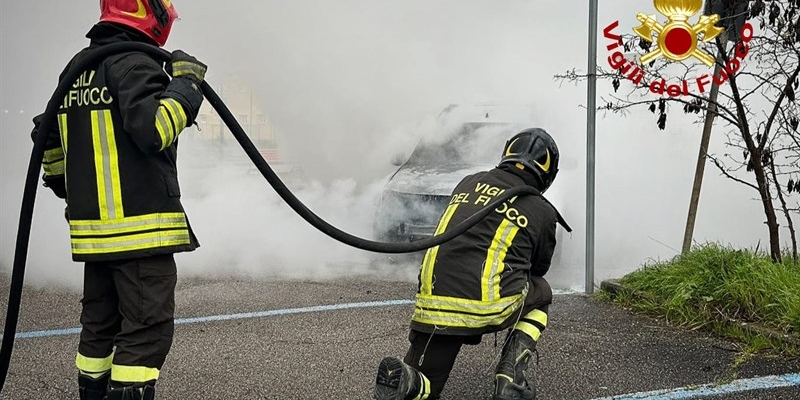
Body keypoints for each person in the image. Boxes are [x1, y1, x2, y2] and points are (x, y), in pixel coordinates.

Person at [30, 1, 207, 399]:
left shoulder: (77, 70)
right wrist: (186, 86)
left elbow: (47, 136)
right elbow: (154, 130)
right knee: (145, 334)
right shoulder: (134, 64)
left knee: (98, 330)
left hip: (95, 237)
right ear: (153, 16)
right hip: (141, 233)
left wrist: (71, 187)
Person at [371, 128, 571, 400]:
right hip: (488, 305)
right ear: (547, 173)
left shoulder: (467, 183)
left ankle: (406, 381)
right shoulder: (542, 209)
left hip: (433, 305)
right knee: (541, 291)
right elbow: (538, 269)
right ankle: (511, 380)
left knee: (428, 386)